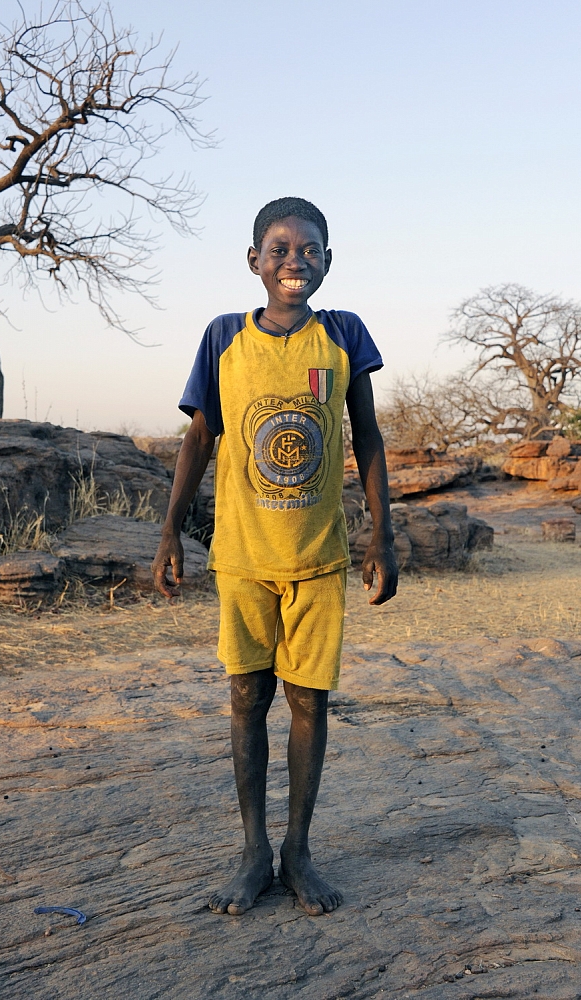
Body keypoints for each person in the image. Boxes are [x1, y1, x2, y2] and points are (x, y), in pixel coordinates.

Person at [152, 196, 398, 916]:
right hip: (243, 558)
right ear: (254, 259)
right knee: (244, 698)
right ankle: (254, 850)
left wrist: (382, 532)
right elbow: (200, 438)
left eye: (311, 249)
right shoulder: (225, 336)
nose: (296, 260)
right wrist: (170, 532)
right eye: (281, 248)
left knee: (309, 701)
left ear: (329, 260)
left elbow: (370, 438)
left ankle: (298, 852)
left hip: (318, 558)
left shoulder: (344, 335)